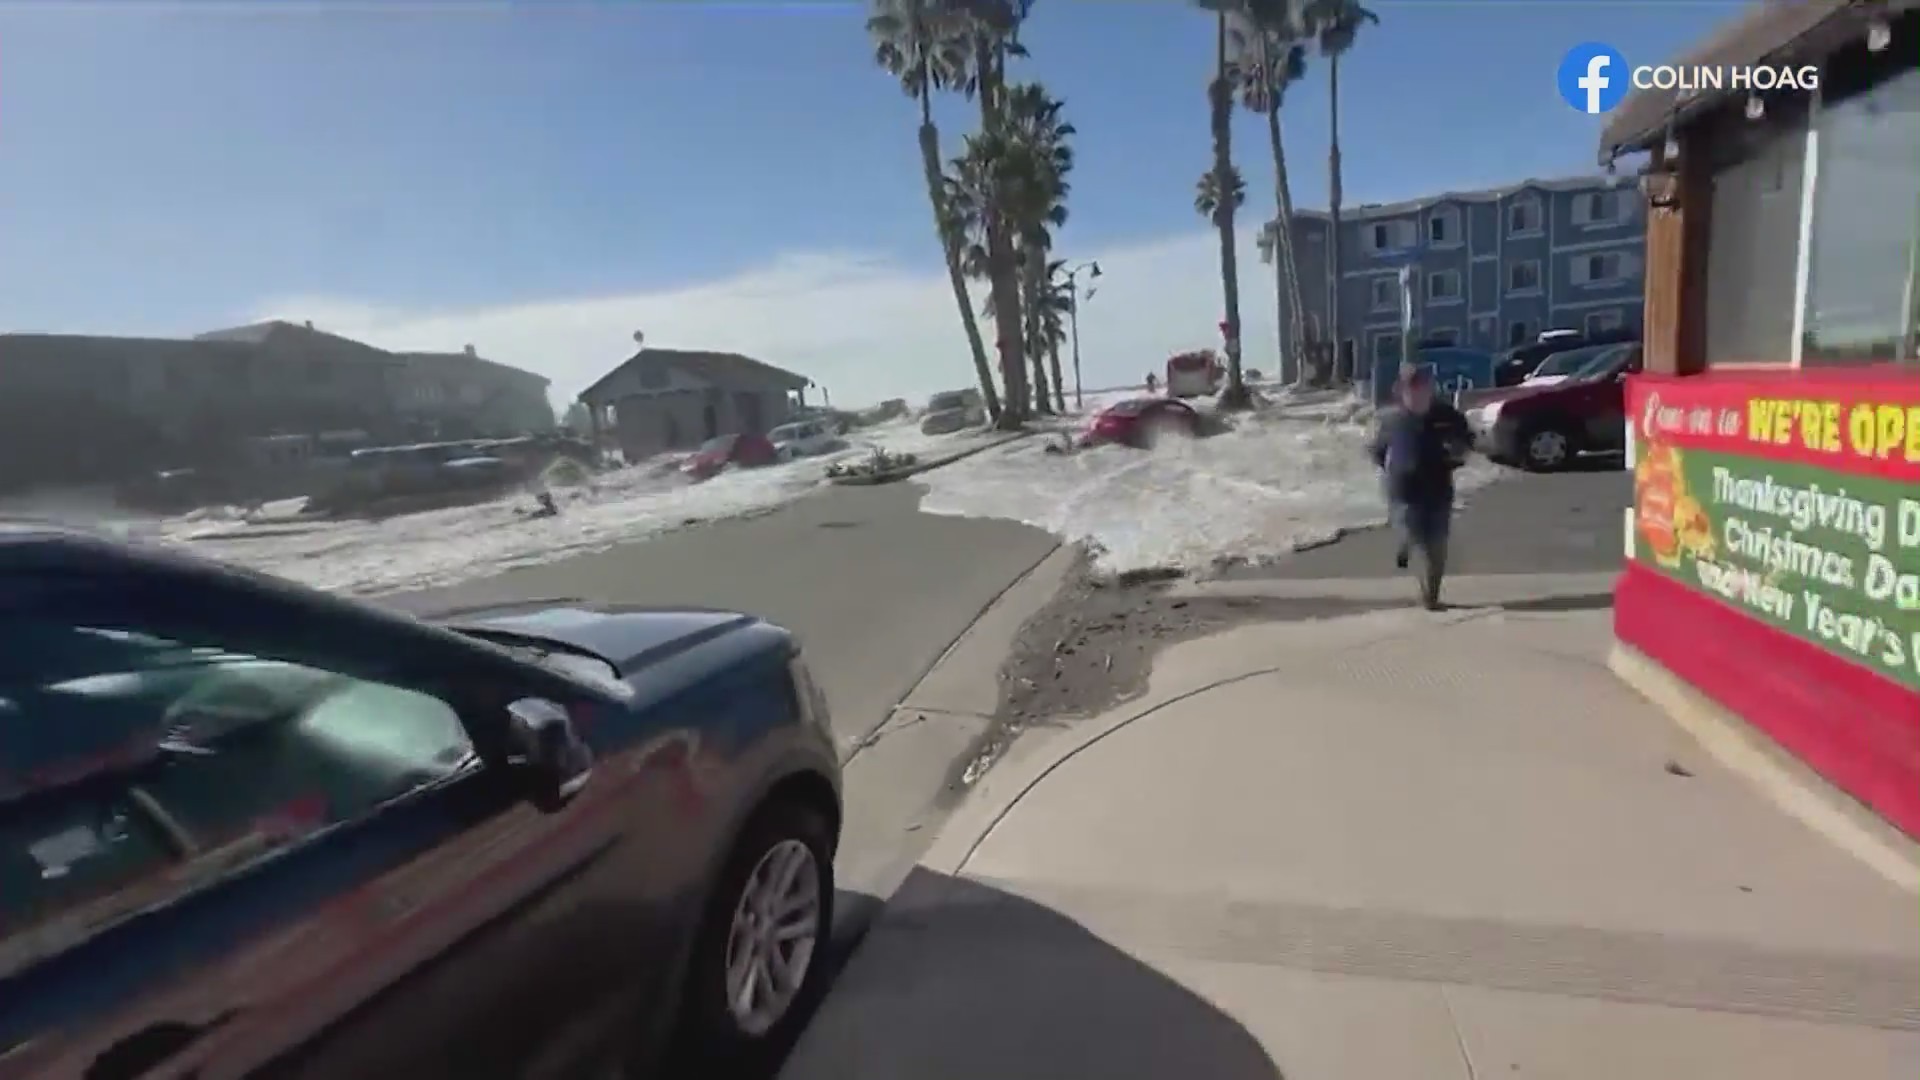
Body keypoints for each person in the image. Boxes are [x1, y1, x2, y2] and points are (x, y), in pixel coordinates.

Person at [1368, 363, 1472, 610]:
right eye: (1410, 390)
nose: (1416, 394)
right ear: (1402, 392)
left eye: (1421, 388)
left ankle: (1431, 597)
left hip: (1438, 491)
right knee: (1411, 532)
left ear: (1429, 389)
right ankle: (1405, 545)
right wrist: (1393, 469)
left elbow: (1467, 442)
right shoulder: (1393, 421)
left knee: (1437, 548)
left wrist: (1459, 454)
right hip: (1404, 492)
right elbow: (1377, 452)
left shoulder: (1448, 417)